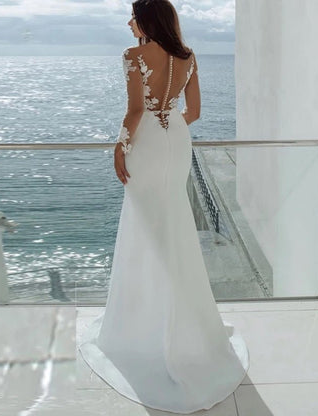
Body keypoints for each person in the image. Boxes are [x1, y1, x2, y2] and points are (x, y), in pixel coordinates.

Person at [78, 0, 249, 413]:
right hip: (177, 145)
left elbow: (136, 109)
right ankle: (188, 325)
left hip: (148, 145)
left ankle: (143, 326)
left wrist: (121, 147)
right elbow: (195, 112)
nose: (128, 21)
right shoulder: (188, 56)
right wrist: (168, 125)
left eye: (133, 14)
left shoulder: (134, 56)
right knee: (174, 224)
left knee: (145, 227)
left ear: (146, 20)